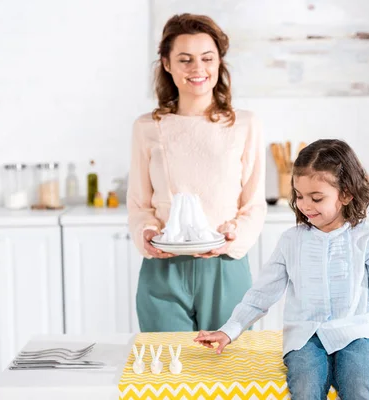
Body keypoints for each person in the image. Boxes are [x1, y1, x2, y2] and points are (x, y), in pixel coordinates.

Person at [195, 139, 369, 400]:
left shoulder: (367, 239)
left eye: (316, 198)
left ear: (346, 194)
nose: (305, 205)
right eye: (298, 196)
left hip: (355, 333)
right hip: (305, 336)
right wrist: (230, 329)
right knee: (305, 387)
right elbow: (262, 293)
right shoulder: (291, 241)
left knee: (357, 385)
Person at [126, 13, 266, 333]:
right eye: (185, 59)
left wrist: (233, 235)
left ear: (219, 62)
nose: (197, 69)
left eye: (207, 58)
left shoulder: (245, 124)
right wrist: (145, 232)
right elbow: (138, 204)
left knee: (228, 376)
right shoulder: (147, 127)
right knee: (167, 376)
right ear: (166, 64)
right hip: (163, 267)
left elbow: (254, 205)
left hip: (225, 266)